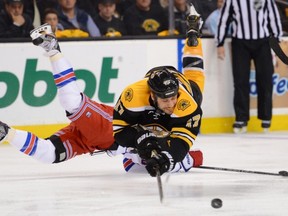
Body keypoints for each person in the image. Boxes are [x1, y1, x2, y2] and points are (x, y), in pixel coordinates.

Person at [0, 4, 204, 177]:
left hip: (95, 142)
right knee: (72, 102)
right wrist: (180, 159)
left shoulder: (186, 108)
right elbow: (129, 136)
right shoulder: (142, 97)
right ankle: (53, 49)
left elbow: (130, 165)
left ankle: (5, 133)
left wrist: (151, 158)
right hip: (108, 130)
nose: (170, 105)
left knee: (49, 154)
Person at [112, 5, 204, 176]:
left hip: (185, 86)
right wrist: (141, 139)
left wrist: (167, 160)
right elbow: (119, 131)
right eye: (165, 100)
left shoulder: (186, 103)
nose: (170, 104)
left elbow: (182, 142)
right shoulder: (133, 95)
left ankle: (193, 36)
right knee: (131, 165)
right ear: (153, 96)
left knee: (195, 75)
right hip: (149, 95)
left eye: (172, 98)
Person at [216, 0, 283, 134]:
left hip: (263, 42)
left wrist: (277, 41)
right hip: (240, 43)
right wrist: (220, 42)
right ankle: (241, 118)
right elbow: (224, 19)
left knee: (265, 80)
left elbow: (274, 18)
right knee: (240, 81)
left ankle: (266, 118)